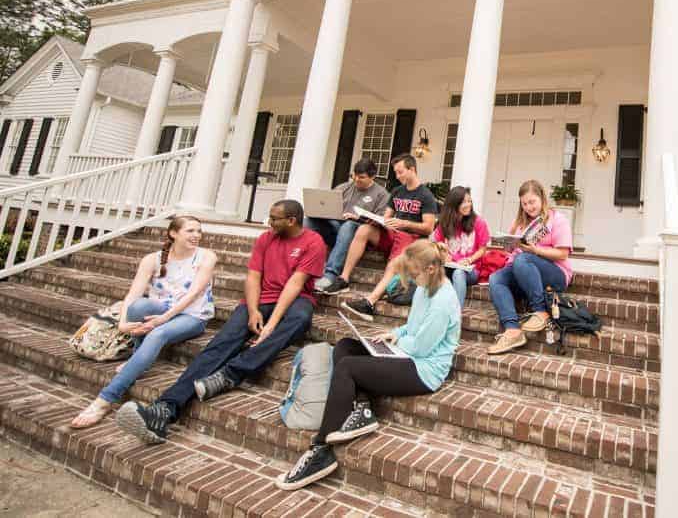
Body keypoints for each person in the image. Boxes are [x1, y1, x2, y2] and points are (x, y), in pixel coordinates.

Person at [116, 199, 325, 444]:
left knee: (300, 318)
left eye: (274, 218)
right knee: (221, 343)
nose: (269, 222)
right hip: (261, 297)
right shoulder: (265, 239)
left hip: (296, 298)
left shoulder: (313, 242)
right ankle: (164, 409)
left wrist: (270, 325)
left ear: (291, 221)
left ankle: (230, 374)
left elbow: (295, 284)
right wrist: (254, 310)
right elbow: (253, 277)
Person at [275, 240, 460, 490]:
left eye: (414, 274)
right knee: (345, 346)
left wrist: (398, 343)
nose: (412, 279)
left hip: (424, 369)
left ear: (430, 269)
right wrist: (394, 334)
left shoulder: (443, 301)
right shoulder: (424, 288)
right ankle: (361, 409)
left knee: (348, 367)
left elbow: (421, 348)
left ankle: (320, 450)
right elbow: (412, 327)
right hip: (407, 352)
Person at [70, 216, 216, 428]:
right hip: (162, 310)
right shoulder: (152, 259)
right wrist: (122, 323)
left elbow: (193, 294)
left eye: (199, 231)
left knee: (157, 334)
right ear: (173, 233)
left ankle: (105, 400)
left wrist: (162, 320)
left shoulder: (206, 257)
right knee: (138, 307)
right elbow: (133, 296)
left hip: (192, 315)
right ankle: (138, 357)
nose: (196, 236)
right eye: (190, 231)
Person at [340, 154, 438, 321]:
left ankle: (369, 303)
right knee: (364, 229)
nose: (397, 176)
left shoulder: (425, 195)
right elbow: (386, 217)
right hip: (393, 234)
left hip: (412, 239)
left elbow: (428, 227)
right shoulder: (397, 192)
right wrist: (373, 220)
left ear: (412, 169)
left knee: (396, 261)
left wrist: (403, 223)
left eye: (400, 172)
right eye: (396, 173)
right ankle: (343, 278)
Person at [486, 180, 573, 355]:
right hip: (525, 270)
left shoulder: (557, 219)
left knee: (524, 258)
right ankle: (512, 330)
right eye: (524, 204)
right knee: (496, 278)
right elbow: (514, 253)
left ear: (542, 198)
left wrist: (535, 250)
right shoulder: (520, 223)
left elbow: (563, 254)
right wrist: (509, 248)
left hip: (555, 274)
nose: (528, 207)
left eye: (532, 202)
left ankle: (540, 311)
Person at [304, 158, 390, 295]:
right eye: (354, 176)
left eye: (361, 177)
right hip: (336, 227)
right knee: (309, 221)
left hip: (358, 234)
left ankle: (330, 275)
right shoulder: (344, 187)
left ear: (373, 176)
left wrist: (359, 218)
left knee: (349, 225)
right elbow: (328, 203)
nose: (356, 180)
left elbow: (381, 221)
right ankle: (300, 264)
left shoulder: (382, 194)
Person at [430, 186, 490, 306]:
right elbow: (434, 244)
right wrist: (443, 254)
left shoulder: (479, 222)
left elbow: (483, 249)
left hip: (470, 270)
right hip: (449, 266)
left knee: (458, 273)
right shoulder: (445, 223)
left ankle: (456, 315)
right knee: (431, 268)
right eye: (464, 202)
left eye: (469, 201)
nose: (468, 204)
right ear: (454, 204)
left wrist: (469, 260)